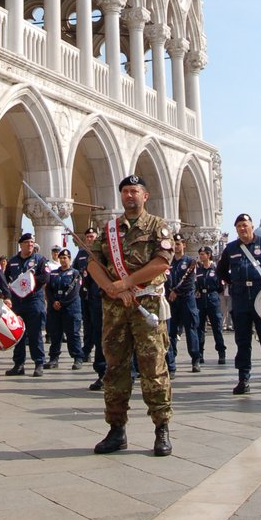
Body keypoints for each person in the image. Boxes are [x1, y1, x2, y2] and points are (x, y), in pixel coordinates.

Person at [87, 174, 174, 457]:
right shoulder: (110, 229)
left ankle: (161, 428)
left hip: (146, 304)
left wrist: (126, 283)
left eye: (134, 191)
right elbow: (93, 264)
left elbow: (161, 263)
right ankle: (116, 430)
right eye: (125, 191)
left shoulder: (158, 227)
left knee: (153, 368)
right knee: (115, 369)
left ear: (145, 196)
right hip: (115, 309)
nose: (129, 196)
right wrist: (111, 289)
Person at [216, 213, 261, 395]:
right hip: (241, 299)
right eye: (239, 226)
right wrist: (233, 282)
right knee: (242, 341)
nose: (242, 228)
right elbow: (221, 270)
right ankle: (243, 379)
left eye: (245, 225)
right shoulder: (231, 248)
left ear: (252, 226)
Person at [4, 232, 50, 377]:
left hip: (34, 300)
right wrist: (7, 295)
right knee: (18, 334)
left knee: (35, 333)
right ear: (21, 244)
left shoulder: (40, 260)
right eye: (27, 242)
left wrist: (28, 279)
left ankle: (39, 363)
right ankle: (18, 364)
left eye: (32, 242)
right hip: (17, 302)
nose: (30, 245)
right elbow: (5, 280)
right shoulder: (12, 261)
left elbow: (45, 277)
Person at [75, 225, 106, 391]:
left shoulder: (106, 255)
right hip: (94, 299)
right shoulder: (84, 255)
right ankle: (102, 373)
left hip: (112, 297)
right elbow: (81, 275)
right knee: (97, 332)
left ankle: (128, 373)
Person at [44, 249, 85, 369]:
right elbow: (48, 289)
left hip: (70, 308)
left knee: (73, 334)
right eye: (61, 258)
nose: (63, 260)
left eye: (65, 257)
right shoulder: (53, 273)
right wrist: (53, 302)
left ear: (69, 259)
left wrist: (62, 302)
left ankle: (77, 358)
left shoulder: (75, 273)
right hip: (55, 308)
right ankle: (53, 358)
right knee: (55, 334)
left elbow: (74, 291)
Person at [167, 234, 201, 373]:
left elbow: (189, 282)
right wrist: (170, 292)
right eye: (174, 244)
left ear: (184, 245)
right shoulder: (168, 263)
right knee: (171, 331)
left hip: (186, 299)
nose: (176, 246)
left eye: (178, 243)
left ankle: (195, 359)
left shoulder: (190, 262)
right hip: (172, 300)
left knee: (190, 329)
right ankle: (171, 362)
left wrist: (176, 291)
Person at [195, 246, 227, 365]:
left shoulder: (215, 270)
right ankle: (200, 353)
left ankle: (221, 353)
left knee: (216, 327)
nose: (201, 256)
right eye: (200, 254)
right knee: (200, 328)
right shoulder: (198, 270)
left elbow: (220, 287)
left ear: (209, 255)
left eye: (203, 254)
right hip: (201, 300)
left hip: (212, 298)